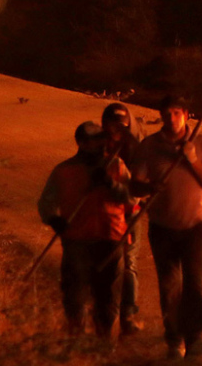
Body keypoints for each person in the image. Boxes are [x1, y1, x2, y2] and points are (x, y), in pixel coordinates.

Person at [132, 95, 202, 360]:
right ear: (161, 116)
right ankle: (174, 339)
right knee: (169, 285)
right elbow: (134, 186)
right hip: (161, 227)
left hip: (195, 226)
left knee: (194, 284)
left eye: (176, 113)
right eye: (166, 113)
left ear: (186, 114)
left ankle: (195, 337)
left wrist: (192, 160)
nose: (171, 118)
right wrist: (149, 188)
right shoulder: (149, 146)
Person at [37, 121, 132, 339]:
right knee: (75, 297)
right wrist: (54, 220)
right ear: (80, 143)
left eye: (101, 140)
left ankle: (104, 343)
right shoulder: (64, 170)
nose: (99, 145)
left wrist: (110, 184)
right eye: (93, 141)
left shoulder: (116, 166)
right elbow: (46, 202)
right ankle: (76, 345)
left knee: (107, 298)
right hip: (76, 240)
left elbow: (131, 200)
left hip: (111, 239)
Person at [102, 102, 145, 336]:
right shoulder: (98, 146)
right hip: (103, 213)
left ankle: (128, 314)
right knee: (106, 263)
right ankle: (104, 312)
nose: (116, 128)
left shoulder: (136, 147)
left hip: (131, 212)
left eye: (121, 123)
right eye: (112, 123)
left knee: (129, 264)